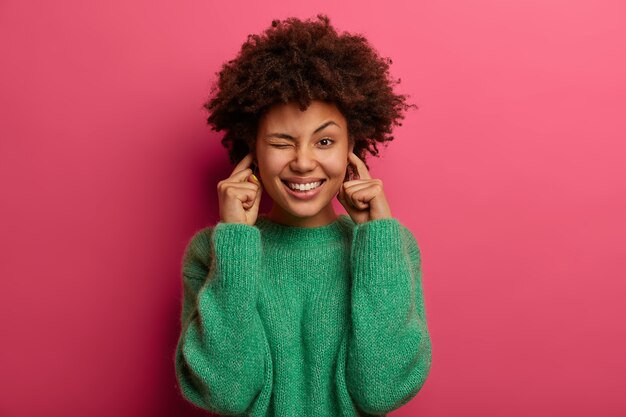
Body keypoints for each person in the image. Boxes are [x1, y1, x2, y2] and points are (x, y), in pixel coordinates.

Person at [174, 14, 432, 416]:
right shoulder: (213, 251)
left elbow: (381, 391)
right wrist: (235, 242)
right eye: (281, 142)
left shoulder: (390, 248)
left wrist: (377, 239)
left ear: (353, 147)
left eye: (325, 141)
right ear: (252, 151)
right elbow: (226, 393)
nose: (303, 162)